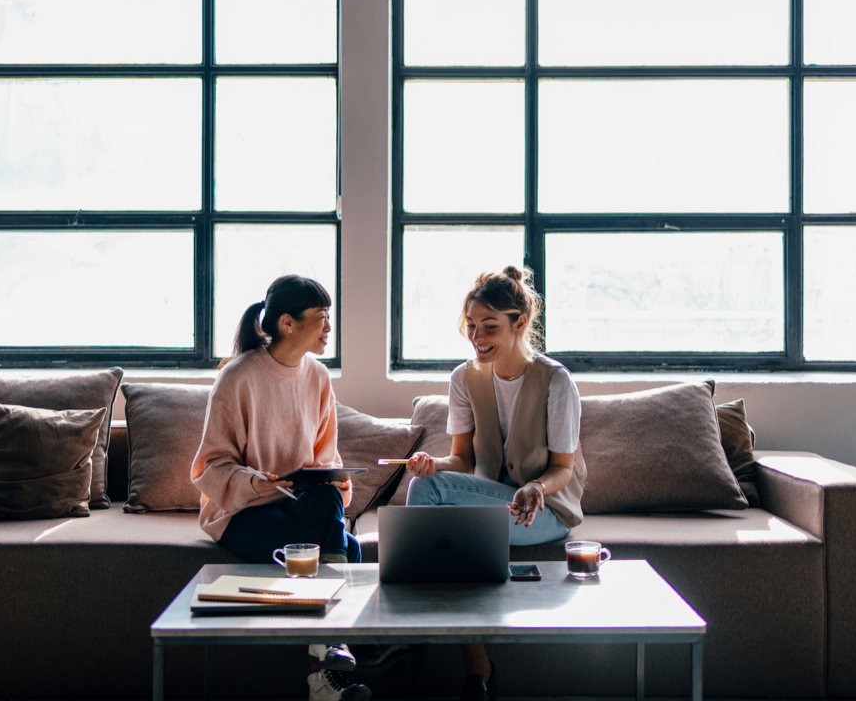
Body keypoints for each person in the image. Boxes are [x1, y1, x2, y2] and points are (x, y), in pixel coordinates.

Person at [404, 266, 587, 701]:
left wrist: (537, 488)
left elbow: (563, 468)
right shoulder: (464, 378)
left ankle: (407, 624)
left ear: (519, 323)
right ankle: (477, 671)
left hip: (545, 511)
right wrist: (435, 464)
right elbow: (463, 460)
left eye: (489, 326)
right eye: (471, 326)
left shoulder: (555, 380)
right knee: (431, 502)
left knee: (429, 510)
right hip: (488, 503)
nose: (477, 337)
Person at [190, 274, 370, 701]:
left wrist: (334, 480)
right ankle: (327, 659)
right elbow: (208, 465)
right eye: (322, 318)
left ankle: (324, 666)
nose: (329, 328)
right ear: (287, 323)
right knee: (346, 549)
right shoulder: (237, 377)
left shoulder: (319, 377)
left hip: (302, 505)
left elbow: (326, 459)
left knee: (324, 499)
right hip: (242, 511)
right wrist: (253, 481)